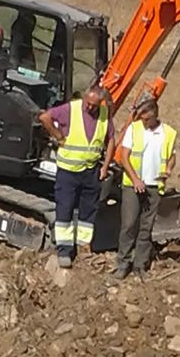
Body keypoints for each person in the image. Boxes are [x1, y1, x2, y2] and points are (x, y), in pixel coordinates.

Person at [38, 85, 112, 268]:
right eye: (88, 103)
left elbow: (111, 139)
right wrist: (58, 137)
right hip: (68, 171)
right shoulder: (71, 109)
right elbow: (45, 117)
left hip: (90, 170)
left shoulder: (104, 113)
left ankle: (82, 246)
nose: (90, 108)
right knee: (65, 208)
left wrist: (106, 166)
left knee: (88, 210)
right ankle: (64, 250)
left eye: (94, 105)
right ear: (85, 98)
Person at [113, 98, 178, 280]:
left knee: (146, 228)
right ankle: (122, 263)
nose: (143, 121)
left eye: (146, 118)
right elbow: (124, 157)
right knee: (128, 225)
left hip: (154, 186)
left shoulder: (169, 133)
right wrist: (135, 179)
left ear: (154, 115)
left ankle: (140, 266)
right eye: (141, 118)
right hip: (133, 185)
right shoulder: (134, 129)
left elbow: (172, 156)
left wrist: (169, 170)